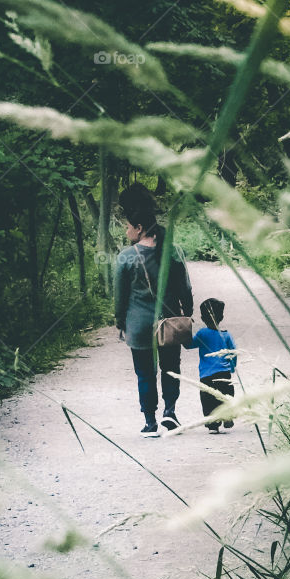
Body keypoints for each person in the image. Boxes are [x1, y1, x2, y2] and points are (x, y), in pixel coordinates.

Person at [113, 183, 193, 437]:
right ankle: (170, 412)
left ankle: (150, 422)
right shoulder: (173, 251)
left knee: (144, 373)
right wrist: (187, 314)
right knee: (171, 369)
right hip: (169, 323)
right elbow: (185, 289)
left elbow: (120, 297)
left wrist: (120, 322)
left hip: (139, 326)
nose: (126, 231)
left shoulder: (126, 257)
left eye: (127, 226)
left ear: (139, 228)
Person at [185, 297, 237, 433]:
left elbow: (189, 345)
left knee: (208, 399)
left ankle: (213, 425)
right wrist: (232, 367)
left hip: (206, 374)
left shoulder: (202, 333)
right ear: (222, 316)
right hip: (224, 373)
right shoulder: (226, 335)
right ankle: (227, 416)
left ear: (202, 318)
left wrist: (183, 332)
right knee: (226, 396)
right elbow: (233, 353)